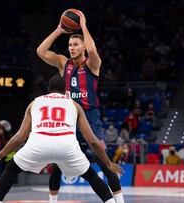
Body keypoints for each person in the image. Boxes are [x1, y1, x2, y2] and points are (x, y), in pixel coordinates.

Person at [0, 75, 123, 203]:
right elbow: (92, 141)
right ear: (65, 90)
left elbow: (19, 137)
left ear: (49, 90)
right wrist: (108, 163)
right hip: (66, 146)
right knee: (92, 176)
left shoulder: (34, 103)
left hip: (38, 144)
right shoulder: (74, 105)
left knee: (11, 170)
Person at [37, 11, 125, 203]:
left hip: (91, 117)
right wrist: (60, 30)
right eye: (70, 44)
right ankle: (53, 202)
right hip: (70, 119)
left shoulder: (93, 64)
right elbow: (41, 51)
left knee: (104, 162)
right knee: (58, 163)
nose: (71, 47)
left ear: (83, 46)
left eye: (75, 44)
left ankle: (120, 201)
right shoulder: (63, 63)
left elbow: (93, 51)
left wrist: (83, 25)